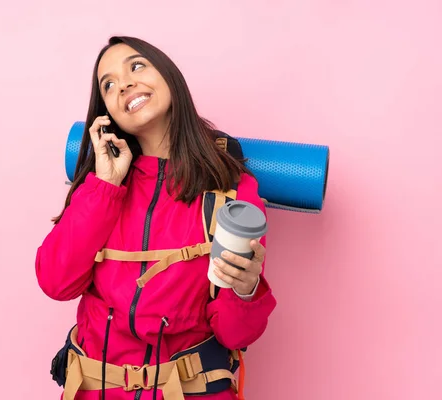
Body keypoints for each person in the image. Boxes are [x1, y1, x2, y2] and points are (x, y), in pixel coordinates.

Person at [35, 36, 277, 400]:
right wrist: (105, 186)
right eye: (109, 84)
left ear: (169, 77)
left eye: (136, 66)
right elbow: (56, 282)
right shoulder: (100, 185)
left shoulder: (230, 190)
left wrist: (245, 289)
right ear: (108, 113)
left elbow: (235, 335)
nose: (125, 84)